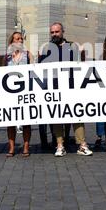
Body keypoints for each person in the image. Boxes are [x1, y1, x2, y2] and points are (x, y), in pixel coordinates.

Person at [39, 22, 93, 157]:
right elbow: (40, 68)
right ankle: (59, 145)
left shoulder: (72, 46)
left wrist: (82, 55)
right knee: (57, 116)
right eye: (52, 32)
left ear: (63, 32)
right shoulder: (46, 48)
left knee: (77, 115)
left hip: (71, 87)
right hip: (54, 88)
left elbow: (81, 66)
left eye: (57, 32)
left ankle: (82, 145)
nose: (54, 34)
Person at [3, 32, 33, 157]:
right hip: (10, 92)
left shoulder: (27, 54)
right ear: (12, 42)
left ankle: (26, 147)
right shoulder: (7, 56)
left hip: (25, 90)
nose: (20, 40)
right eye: (17, 39)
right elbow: (1, 72)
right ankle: (11, 148)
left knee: (26, 121)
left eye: (21, 38)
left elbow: (34, 69)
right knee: (10, 121)